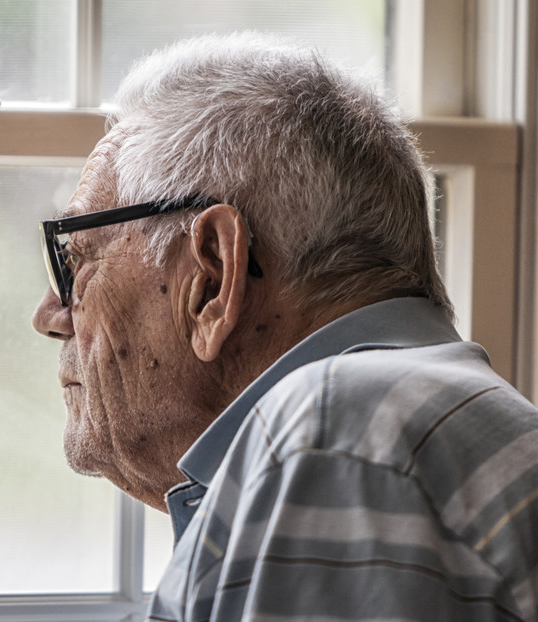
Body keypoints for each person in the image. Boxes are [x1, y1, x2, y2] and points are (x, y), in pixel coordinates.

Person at [32, 33, 538, 621]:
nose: (49, 315)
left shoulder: (339, 435)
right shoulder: (392, 424)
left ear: (213, 277)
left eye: (75, 260)